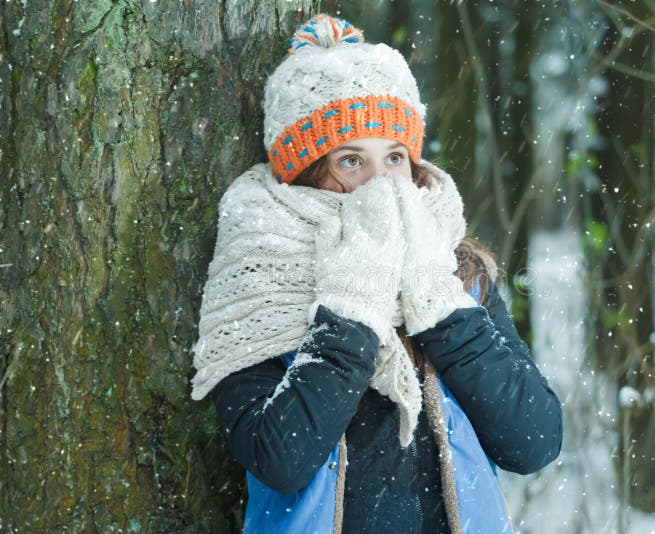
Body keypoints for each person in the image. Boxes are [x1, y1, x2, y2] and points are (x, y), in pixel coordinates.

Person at [190, 14, 562, 533]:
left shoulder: (455, 270)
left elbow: (534, 441)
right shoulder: (260, 277)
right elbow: (281, 460)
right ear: (306, 173)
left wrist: (439, 305)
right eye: (349, 160)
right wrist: (352, 306)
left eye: (393, 157)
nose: (378, 183)